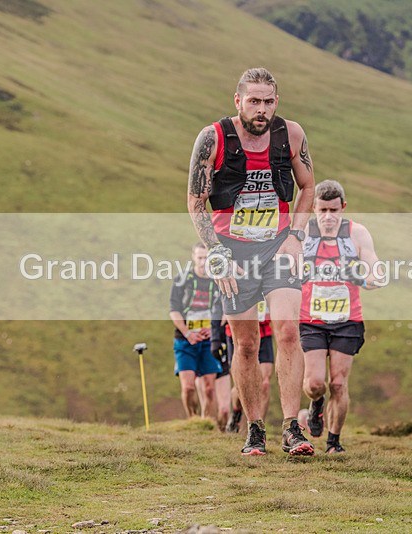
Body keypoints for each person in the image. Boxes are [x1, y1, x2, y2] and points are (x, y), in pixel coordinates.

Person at [187, 67, 316, 456]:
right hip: (233, 251)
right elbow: (196, 201)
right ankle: (255, 430)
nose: (262, 109)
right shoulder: (213, 138)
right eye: (254, 101)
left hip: (278, 246)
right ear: (238, 100)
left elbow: (308, 187)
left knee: (288, 330)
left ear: (277, 102)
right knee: (245, 345)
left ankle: (292, 428)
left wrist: (295, 236)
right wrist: (218, 253)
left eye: (269, 101)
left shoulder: (291, 134)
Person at [300, 180, 385, 453]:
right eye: (322, 210)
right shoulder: (301, 232)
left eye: (334, 210)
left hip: (348, 319)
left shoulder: (357, 233)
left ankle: (333, 443)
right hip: (310, 318)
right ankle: (316, 404)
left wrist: (371, 278)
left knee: (338, 382)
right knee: (315, 384)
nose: (328, 216)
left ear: (343, 207)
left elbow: (374, 266)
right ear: (313, 208)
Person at [169, 243, 222, 419]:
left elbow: (227, 310)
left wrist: (214, 329)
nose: (202, 262)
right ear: (193, 257)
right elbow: (174, 310)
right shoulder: (182, 280)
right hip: (185, 340)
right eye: (199, 257)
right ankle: (192, 419)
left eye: (206, 258)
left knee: (209, 388)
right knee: (188, 386)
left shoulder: (219, 281)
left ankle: (205, 424)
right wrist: (187, 333)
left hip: (208, 340)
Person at [224, 300, 276, 433]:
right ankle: (236, 412)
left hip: (264, 333)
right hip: (239, 335)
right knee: (241, 384)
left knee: (264, 383)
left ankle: (258, 430)